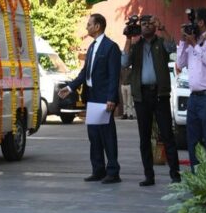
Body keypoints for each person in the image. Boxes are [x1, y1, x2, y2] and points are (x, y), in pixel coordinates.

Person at [59, 13, 122, 183]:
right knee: (94, 135)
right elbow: (84, 73)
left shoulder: (110, 47)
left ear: (97, 26)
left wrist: (111, 98)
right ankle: (98, 170)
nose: (87, 27)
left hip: (104, 98)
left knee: (107, 135)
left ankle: (113, 172)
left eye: (89, 24)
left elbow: (114, 75)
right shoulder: (92, 47)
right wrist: (70, 87)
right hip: (92, 97)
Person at [121, 15, 181, 186]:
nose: (146, 26)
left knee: (167, 135)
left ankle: (175, 175)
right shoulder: (136, 45)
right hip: (141, 95)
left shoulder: (160, 42)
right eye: (143, 24)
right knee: (144, 137)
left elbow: (173, 49)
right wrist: (128, 38)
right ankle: (149, 175)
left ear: (155, 26)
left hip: (160, 94)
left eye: (150, 24)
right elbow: (124, 62)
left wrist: (163, 28)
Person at [176, 7, 206, 169]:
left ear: (202, 22)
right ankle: (197, 175)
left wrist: (195, 44)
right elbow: (180, 63)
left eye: (194, 21)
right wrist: (183, 41)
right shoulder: (192, 41)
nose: (192, 25)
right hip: (194, 97)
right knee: (193, 139)